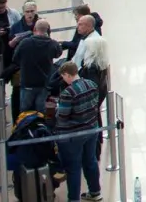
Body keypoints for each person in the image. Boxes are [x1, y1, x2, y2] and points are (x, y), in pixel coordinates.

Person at [53, 61, 104, 202]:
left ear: (67, 75)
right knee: (91, 161)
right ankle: (95, 192)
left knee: (73, 168)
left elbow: (63, 117)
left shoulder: (68, 93)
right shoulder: (92, 85)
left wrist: (58, 109)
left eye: (63, 76)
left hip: (74, 136)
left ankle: (74, 199)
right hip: (92, 130)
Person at [13, 19, 61, 114]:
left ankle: (26, 128)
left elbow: (15, 59)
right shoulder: (53, 44)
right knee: (41, 111)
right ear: (48, 30)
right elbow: (58, 53)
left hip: (27, 83)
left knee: (25, 112)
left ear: (35, 29)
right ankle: (40, 127)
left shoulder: (25, 43)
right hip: (44, 83)